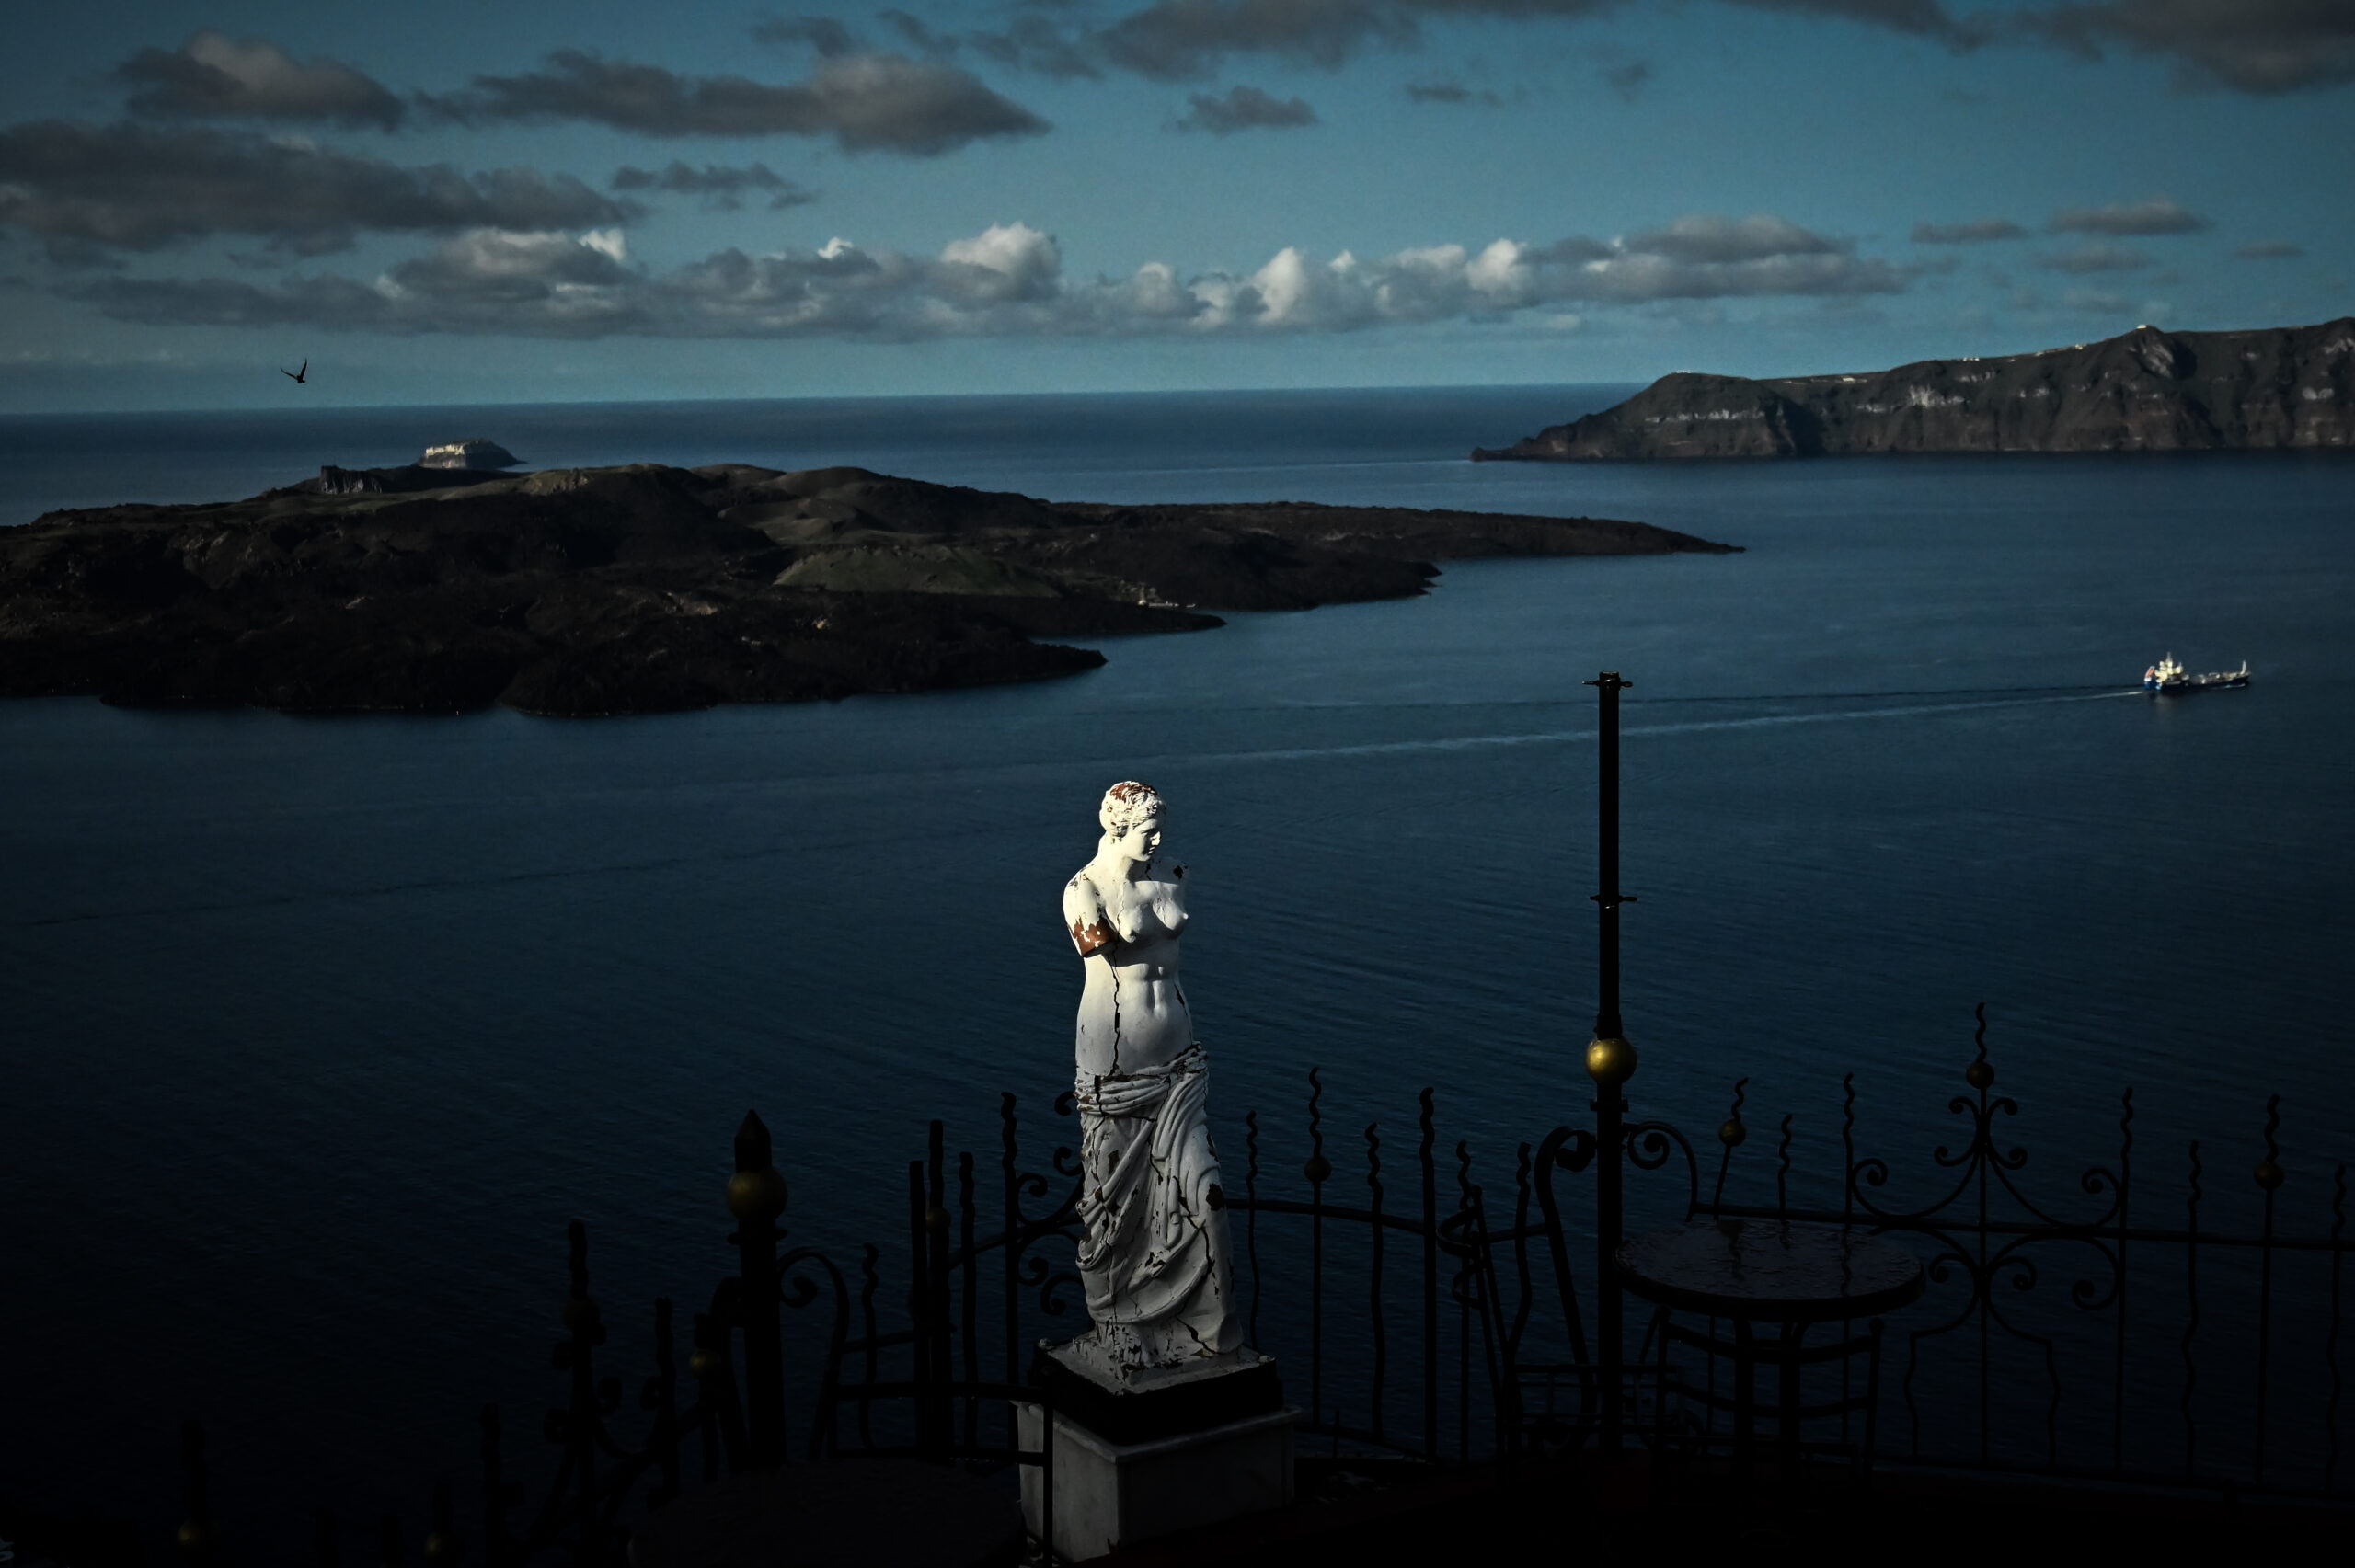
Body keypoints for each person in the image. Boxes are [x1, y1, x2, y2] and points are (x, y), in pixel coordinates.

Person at [1062, 781, 1242, 1369]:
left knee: (1205, 1196)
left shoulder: (1174, 873)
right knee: (1116, 1205)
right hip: (1117, 1062)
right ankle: (1117, 1322)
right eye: (1147, 829)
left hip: (1180, 1063)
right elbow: (1101, 955)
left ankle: (1208, 1331)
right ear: (1115, 828)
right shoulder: (1083, 891)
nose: (1159, 839)